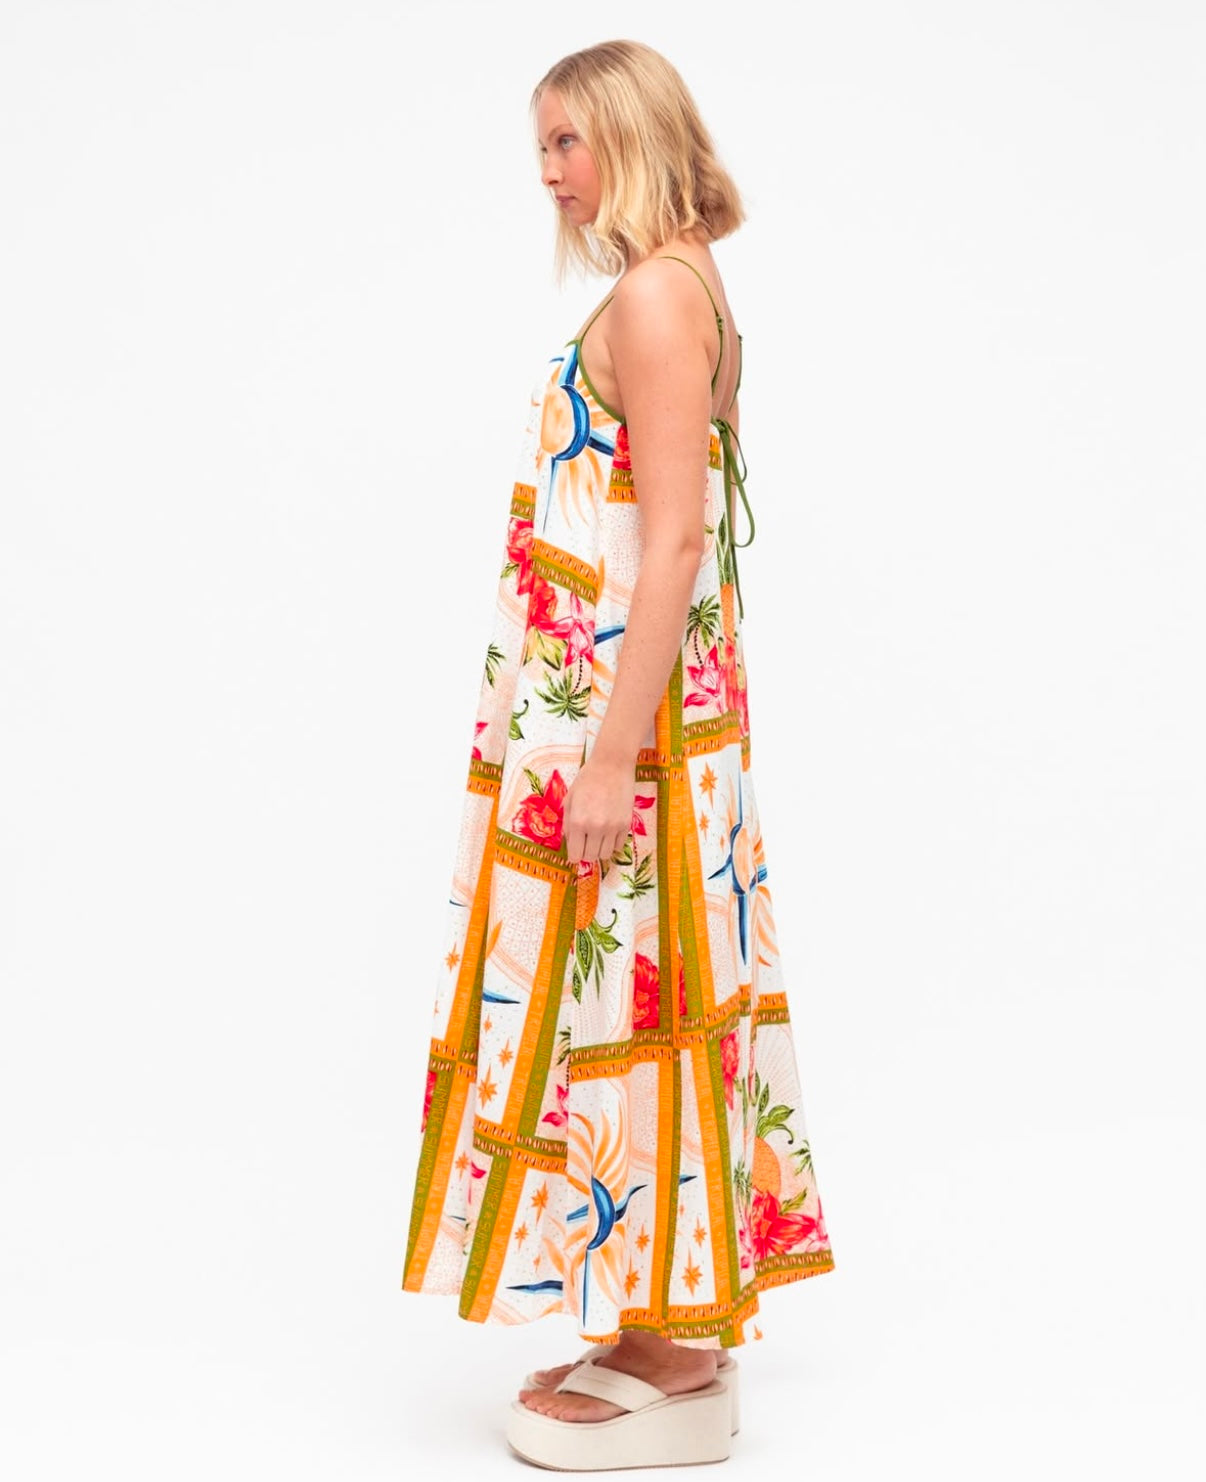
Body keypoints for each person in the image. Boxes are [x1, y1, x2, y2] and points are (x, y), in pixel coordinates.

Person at [400, 38, 835, 1470]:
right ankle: (661, 1322)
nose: (548, 173)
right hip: (642, 716)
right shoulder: (689, 283)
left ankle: (674, 1346)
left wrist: (603, 759)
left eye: (567, 141)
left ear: (634, 135)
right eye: (541, 145)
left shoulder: (653, 295)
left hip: (623, 726)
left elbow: (671, 543)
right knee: (646, 997)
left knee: (627, 999)